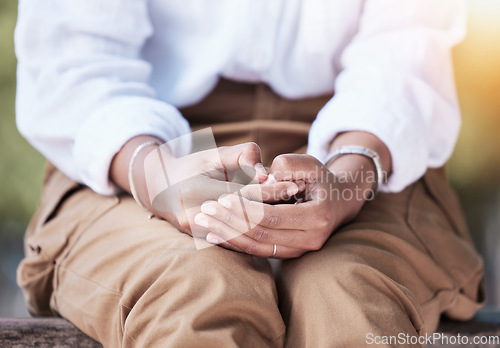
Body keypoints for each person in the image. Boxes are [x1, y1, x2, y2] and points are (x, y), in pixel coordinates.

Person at [15, 0, 484, 347]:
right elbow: (74, 59)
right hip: (131, 140)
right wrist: (155, 171)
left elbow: (405, 49)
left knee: (348, 298)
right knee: (194, 289)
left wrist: (349, 178)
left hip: (366, 139)